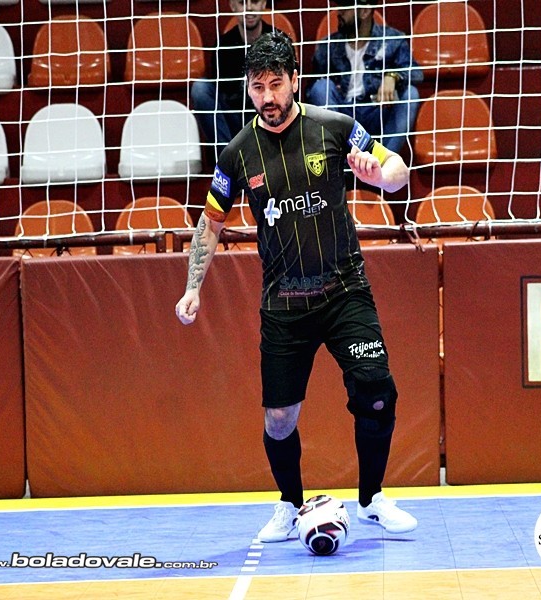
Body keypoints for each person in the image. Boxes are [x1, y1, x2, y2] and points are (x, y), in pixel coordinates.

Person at [175, 31, 417, 542]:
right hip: (284, 301)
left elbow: (396, 170)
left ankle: (371, 500)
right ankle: (289, 504)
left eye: (275, 85)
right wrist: (193, 285)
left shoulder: (334, 127)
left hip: (344, 289)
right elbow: (212, 221)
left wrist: (380, 175)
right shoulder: (238, 153)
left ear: (294, 81)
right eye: (257, 87)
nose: (267, 97)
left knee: (376, 393)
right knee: (280, 418)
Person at [306, 0, 422, 154]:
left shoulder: (392, 40)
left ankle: (384, 162)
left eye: (345, 7)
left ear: (365, 11)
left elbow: (417, 73)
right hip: (343, 116)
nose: (339, 12)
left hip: (377, 111)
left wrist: (393, 76)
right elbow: (311, 91)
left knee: (410, 94)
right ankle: (340, 160)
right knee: (321, 88)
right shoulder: (328, 45)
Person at [191, 0, 286, 158]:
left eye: (254, 1)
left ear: (263, 4)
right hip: (234, 118)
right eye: (242, 3)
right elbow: (223, 94)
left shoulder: (279, 42)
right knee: (201, 88)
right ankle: (228, 160)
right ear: (233, 6)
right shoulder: (223, 46)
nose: (249, 8)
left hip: (268, 116)